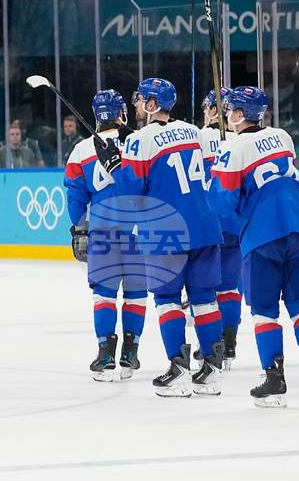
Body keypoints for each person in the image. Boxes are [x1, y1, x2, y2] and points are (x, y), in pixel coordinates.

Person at [94, 78, 225, 398]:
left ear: (153, 105)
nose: (136, 105)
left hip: (168, 229)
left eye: (140, 100)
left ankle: (179, 370)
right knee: (205, 299)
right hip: (206, 225)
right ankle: (212, 370)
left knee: (168, 301)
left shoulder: (140, 140)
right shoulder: (194, 132)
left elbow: (131, 193)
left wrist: (114, 164)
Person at [206, 87, 299, 408]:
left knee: (264, 311)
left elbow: (223, 203)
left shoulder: (232, 149)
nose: (227, 114)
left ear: (238, 115)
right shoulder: (283, 136)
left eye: (230, 109)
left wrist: (215, 174)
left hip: (263, 236)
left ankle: (275, 379)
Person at [65, 90, 147, 383]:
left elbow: (75, 196)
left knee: (104, 293)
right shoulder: (138, 143)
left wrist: (79, 229)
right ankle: (131, 352)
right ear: (121, 113)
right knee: (136, 293)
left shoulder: (80, 150)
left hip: (102, 228)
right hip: (138, 229)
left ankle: (105, 354)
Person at [197, 88, 243, 373]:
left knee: (203, 293)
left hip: (206, 224)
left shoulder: (196, 137)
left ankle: (210, 347)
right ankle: (229, 343)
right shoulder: (241, 140)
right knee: (229, 288)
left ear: (213, 111)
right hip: (234, 224)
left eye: (206, 109)